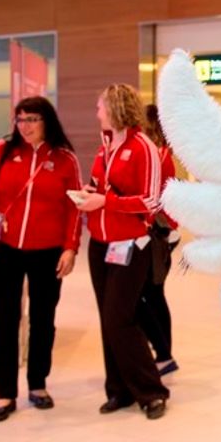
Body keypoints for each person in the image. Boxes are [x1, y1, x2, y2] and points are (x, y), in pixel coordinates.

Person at [0, 96, 82, 423]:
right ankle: (5, 393)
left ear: (47, 120)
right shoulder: (1, 151)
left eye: (32, 119)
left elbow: (74, 206)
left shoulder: (64, 159)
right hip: (5, 250)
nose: (25, 126)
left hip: (48, 252)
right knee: (5, 320)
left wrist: (70, 247)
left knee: (43, 319)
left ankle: (38, 385)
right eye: (20, 120)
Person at [74, 84, 169, 419]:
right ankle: (119, 390)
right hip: (100, 244)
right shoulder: (105, 146)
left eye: (100, 106)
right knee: (108, 320)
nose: (97, 112)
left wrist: (107, 201)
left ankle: (152, 391)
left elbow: (152, 200)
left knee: (120, 319)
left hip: (131, 245)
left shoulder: (143, 146)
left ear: (115, 107)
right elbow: (103, 186)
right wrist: (92, 193)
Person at [138, 103, 179, 377]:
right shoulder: (161, 153)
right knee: (153, 293)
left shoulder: (157, 154)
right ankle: (163, 354)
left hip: (157, 232)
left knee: (147, 294)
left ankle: (163, 353)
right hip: (162, 230)